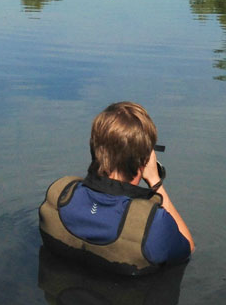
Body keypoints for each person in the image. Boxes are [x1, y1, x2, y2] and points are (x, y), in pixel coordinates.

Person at [39, 101, 195, 276]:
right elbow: (188, 246)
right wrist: (154, 181)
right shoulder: (153, 227)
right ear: (144, 161)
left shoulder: (58, 196)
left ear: (94, 148)